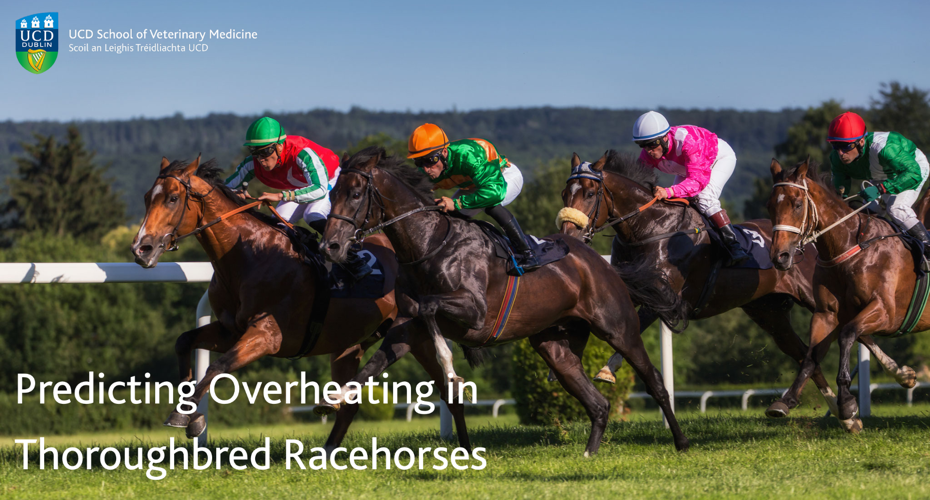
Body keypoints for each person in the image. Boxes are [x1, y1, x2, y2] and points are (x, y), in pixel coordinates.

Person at [225, 116, 371, 280]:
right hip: (301, 186)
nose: (261, 159)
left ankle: (354, 261)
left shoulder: (302, 153)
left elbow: (319, 189)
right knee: (277, 225)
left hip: (327, 180)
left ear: (280, 147)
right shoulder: (252, 164)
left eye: (265, 151)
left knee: (312, 215)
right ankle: (304, 261)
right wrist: (234, 194)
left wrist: (281, 195)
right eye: (255, 152)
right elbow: (222, 188)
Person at [407, 123, 540, 272]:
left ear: (444, 152)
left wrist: (457, 203)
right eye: (419, 161)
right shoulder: (427, 169)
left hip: (502, 179)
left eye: (430, 160)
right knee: (449, 216)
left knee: (491, 204)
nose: (425, 168)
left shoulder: (469, 155)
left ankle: (528, 254)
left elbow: (494, 192)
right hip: (474, 186)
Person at [632, 111, 749, 266]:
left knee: (704, 197)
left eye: (652, 144)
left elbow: (697, 182)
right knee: (678, 201)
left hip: (718, 158)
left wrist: (668, 191)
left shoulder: (689, 142)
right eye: (643, 145)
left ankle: (733, 246)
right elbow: (636, 179)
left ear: (665, 137)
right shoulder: (649, 152)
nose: (648, 151)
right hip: (688, 167)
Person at [827, 111, 930, 270]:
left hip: (911, 169)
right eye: (835, 146)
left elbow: (913, 173)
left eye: (846, 146)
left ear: (861, 141)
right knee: (866, 215)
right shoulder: (837, 158)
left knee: (896, 209)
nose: (841, 153)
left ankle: (927, 248)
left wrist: (881, 188)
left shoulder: (883, 148)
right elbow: (840, 188)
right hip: (881, 174)